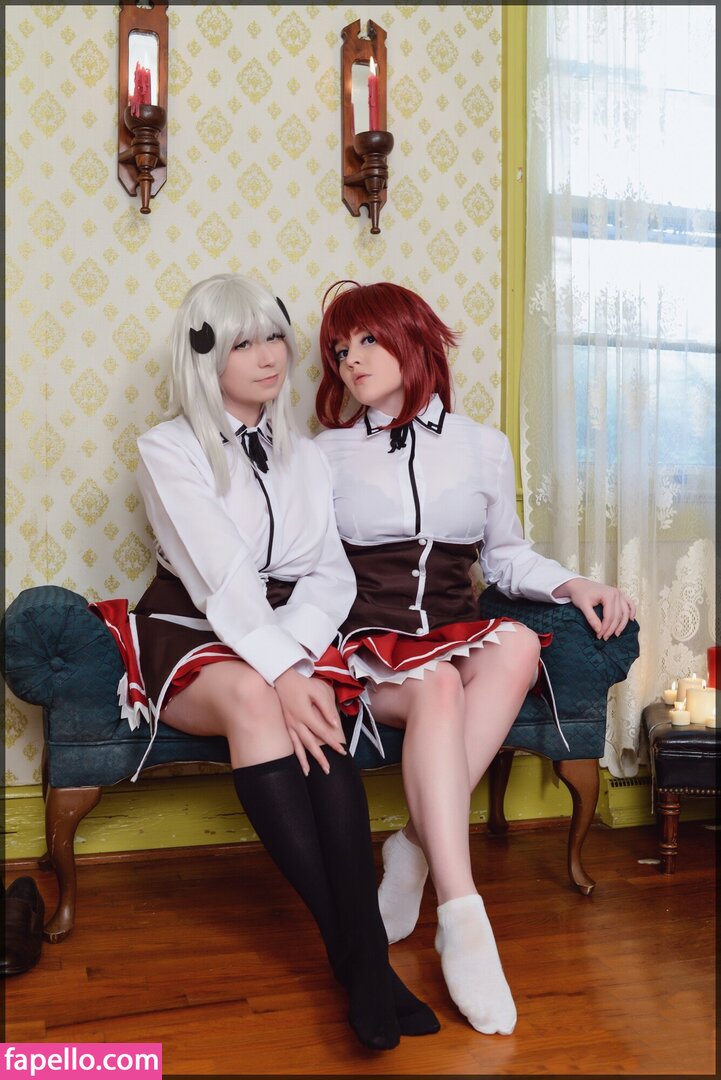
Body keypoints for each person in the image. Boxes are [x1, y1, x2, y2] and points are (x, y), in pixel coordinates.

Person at [91, 273, 439, 1051]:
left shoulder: (305, 456)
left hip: (287, 631)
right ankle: (363, 960)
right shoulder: (166, 448)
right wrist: (282, 670)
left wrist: (299, 656)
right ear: (204, 357)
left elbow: (330, 574)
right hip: (191, 623)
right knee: (256, 695)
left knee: (305, 703)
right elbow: (220, 575)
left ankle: (360, 962)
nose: (267, 356)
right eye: (241, 343)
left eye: (273, 337)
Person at [314, 280, 637, 1037]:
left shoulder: (481, 446)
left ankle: (413, 844)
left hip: (451, 633)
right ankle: (462, 914)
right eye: (339, 349)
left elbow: (505, 555)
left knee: (518, 639)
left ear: (413, 338)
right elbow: (309, 568)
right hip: (367, 646)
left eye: (367, 340)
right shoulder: (322, 455)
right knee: (434, 685)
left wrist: (571, 582)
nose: (351, 359)